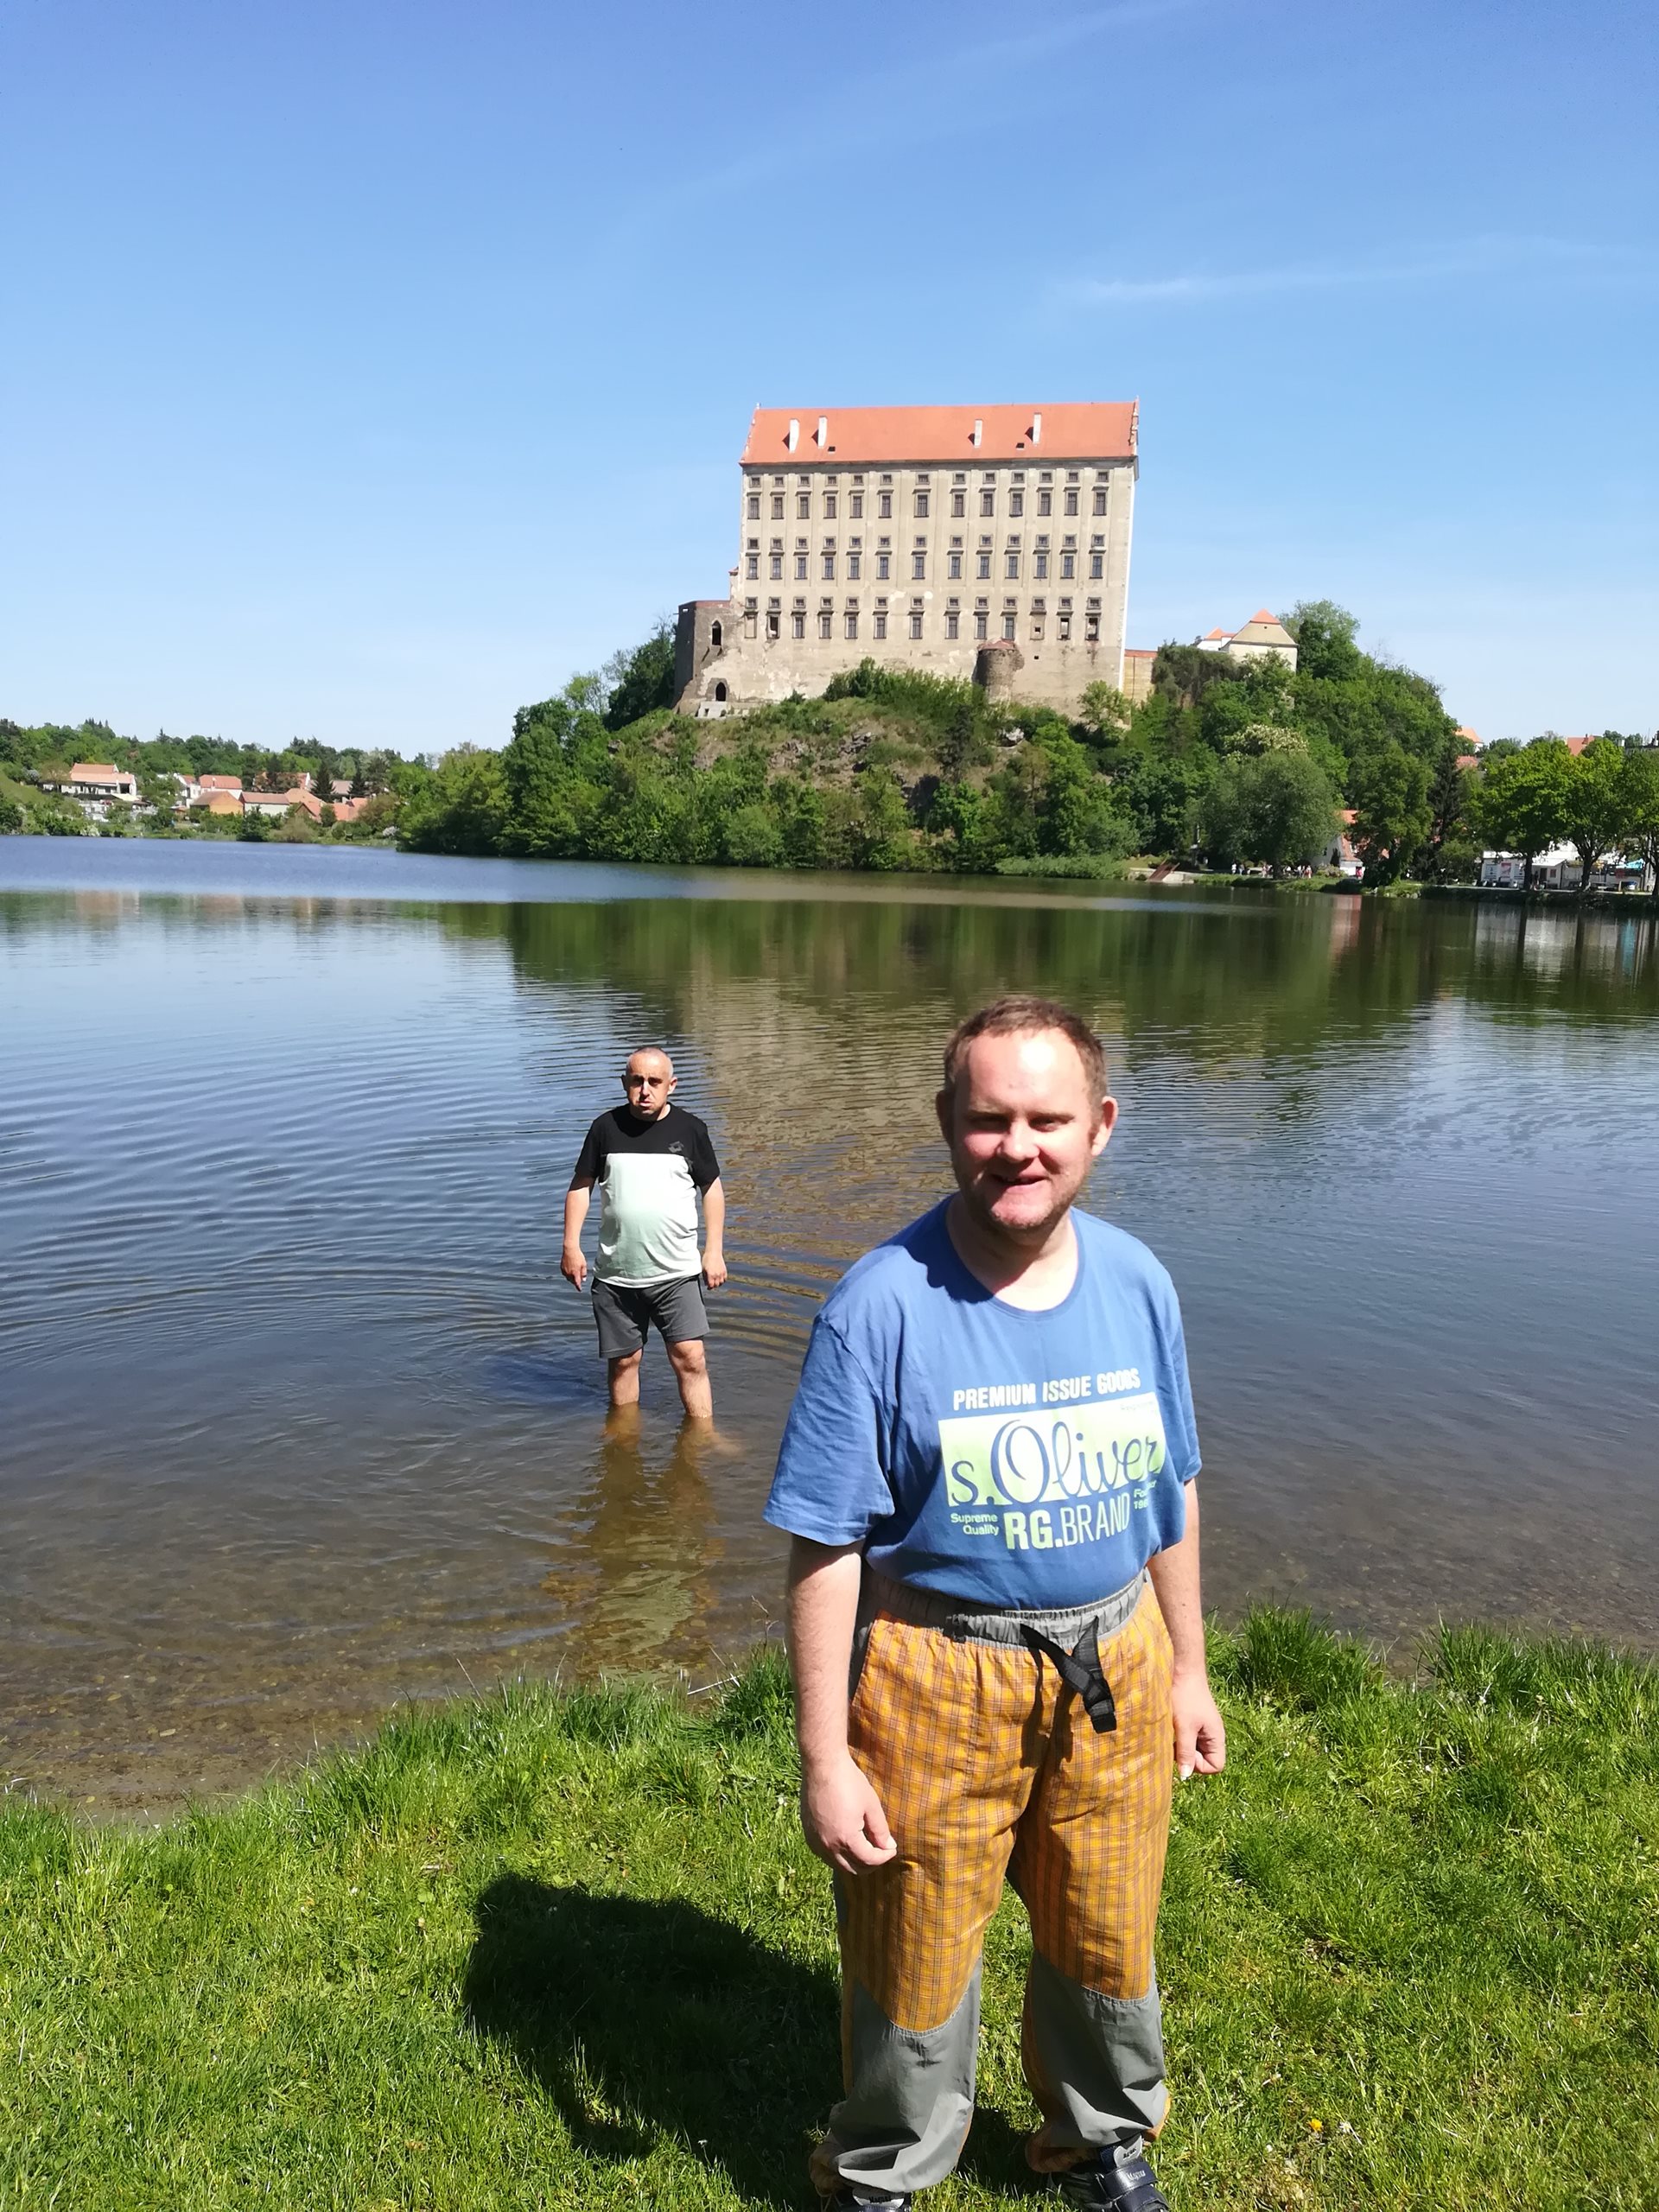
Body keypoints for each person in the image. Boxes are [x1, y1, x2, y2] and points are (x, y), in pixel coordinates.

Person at [764, 996, 1225, 2212]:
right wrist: (825, 1757)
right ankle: (883, 2170)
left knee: (1107, 1930)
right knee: (912, 1946)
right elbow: (824, 1547)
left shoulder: (1139, 1283)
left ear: (1101, 1125)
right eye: (989, 1120)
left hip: (1117, 1662)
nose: (1018, 1148)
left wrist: (1188, 1669)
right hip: (934, 1675)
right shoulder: (877, 1307)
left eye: (1047, 1120)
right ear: (945, 1123)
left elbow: (1173, 1486)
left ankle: (1100, 2139)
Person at [563, 1046, 726, 1420]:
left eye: (654, 1081)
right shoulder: (605, 1128)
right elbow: (580, 1187)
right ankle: (623, 1438)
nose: (645, 1090)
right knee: (624, 1362)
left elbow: (712, 1190)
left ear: (672, 1085)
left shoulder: (691, 1130)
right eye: (637, 1081)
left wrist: (713, 1250)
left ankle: (702, 1436)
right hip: (617, 1273)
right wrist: (571, 1245)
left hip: (677, 1272)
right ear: (625, 1083)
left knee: (690, 1357)